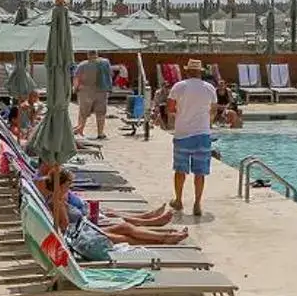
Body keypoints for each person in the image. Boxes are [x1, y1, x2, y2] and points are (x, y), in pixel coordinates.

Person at [39, 165, 189, 248]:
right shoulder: (57, 204)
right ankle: (162, 241)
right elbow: (65, 228)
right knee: (125, 238)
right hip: (81, 239)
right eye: (68, 184)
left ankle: (165, 236)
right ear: (62, 185)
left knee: (126, 227)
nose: (70, 186)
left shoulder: (58, 200)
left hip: (85, 229)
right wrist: (62, 205)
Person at [164, 58, 218, 217]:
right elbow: (213, 110)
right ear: (200, 72)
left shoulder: (178, 87)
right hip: (202, 134)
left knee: (180, 170)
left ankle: (179, 200)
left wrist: (180, 114)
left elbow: (170, 108)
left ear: (187, 71)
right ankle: (197, 204)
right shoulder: (209, 88)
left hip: (183, 133)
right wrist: (208, 121)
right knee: (200, 172)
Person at [73, 51, 115, 141]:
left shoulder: (82, 65)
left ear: (88, 55)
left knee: (83, 113)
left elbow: (76, 78)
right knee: (101, 113)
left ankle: (80, 130)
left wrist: (76, 89)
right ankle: (100, 133)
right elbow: (110, 75)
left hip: (86, 91)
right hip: (101, 91)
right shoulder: (105, 63)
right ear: (97, 54)